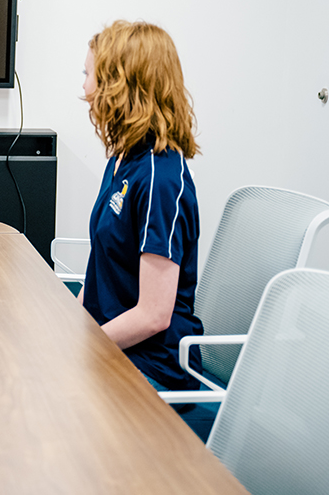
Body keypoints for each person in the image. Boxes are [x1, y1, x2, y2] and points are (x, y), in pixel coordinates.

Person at [79, 20, 204, 391]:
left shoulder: (160, 179)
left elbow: (153, 316)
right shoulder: (122, 159)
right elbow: (102, 269)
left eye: (90, 76)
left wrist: (79, 346)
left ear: (120, 86)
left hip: (151, 366)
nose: (84, 89)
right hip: (112, 347)